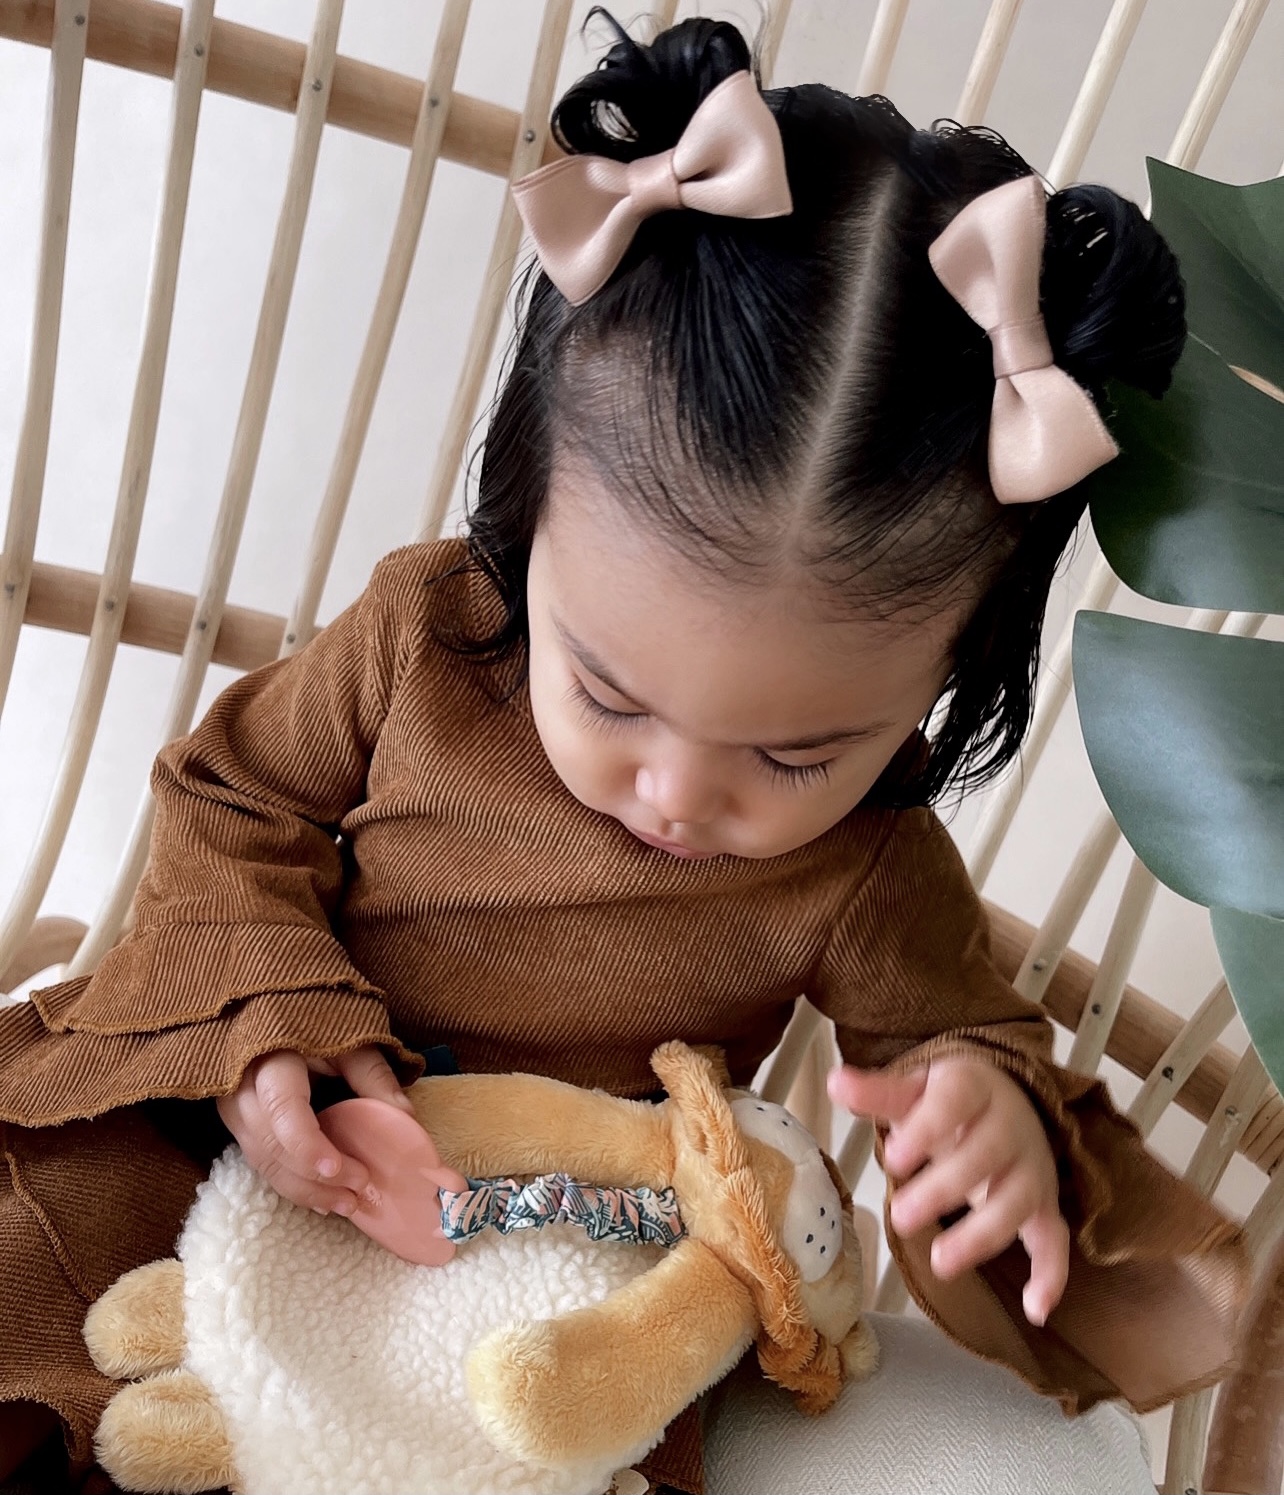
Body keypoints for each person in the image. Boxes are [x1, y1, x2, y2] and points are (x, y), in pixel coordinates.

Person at [0, 15, 1247, 1492]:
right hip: (242, 1118)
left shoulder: (870, 872)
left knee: (523, 1437)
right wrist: (275, 1025)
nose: (679, 792)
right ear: (528, 520)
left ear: (950, 673)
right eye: (606, 692)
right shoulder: (426, 638)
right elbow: (232, 798)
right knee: (41, 1261)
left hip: (554, 1257)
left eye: (799, 757)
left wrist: (988, 1123)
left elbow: (951, 1040)